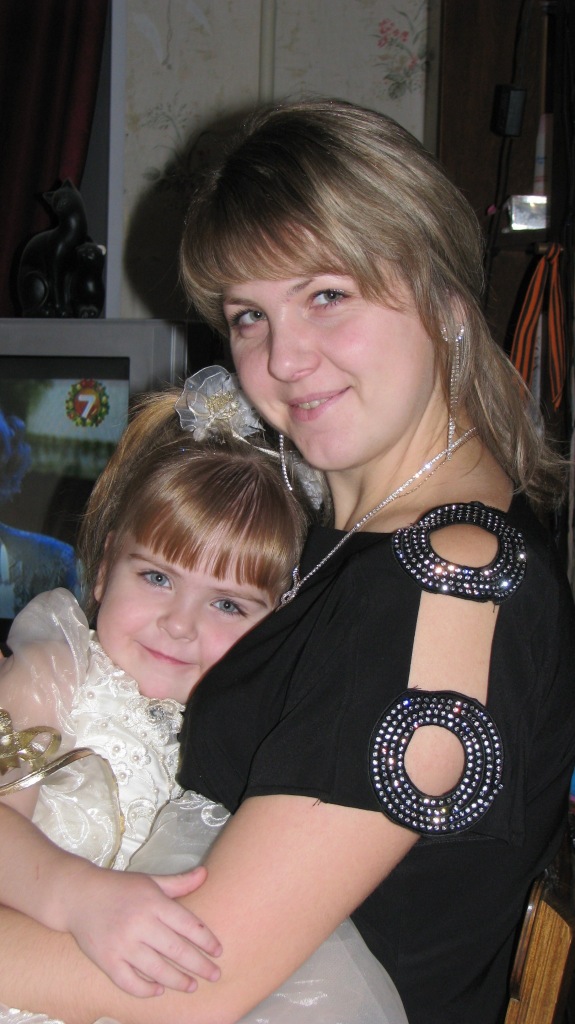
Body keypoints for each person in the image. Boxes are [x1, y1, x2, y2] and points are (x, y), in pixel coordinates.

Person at [0, 98, 573, 1024]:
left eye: (326, 296)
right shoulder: (346, 535)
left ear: (440, 295)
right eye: (248, 316)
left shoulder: (448, 583)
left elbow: (197, 983)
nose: (284, 358)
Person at [0, 370, 407, 1024]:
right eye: (157, 577)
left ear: (276, 626)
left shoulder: (254, 736)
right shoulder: (55, 668)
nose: (179, 624)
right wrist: (77, 896)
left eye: (227, 604)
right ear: (104, 568)